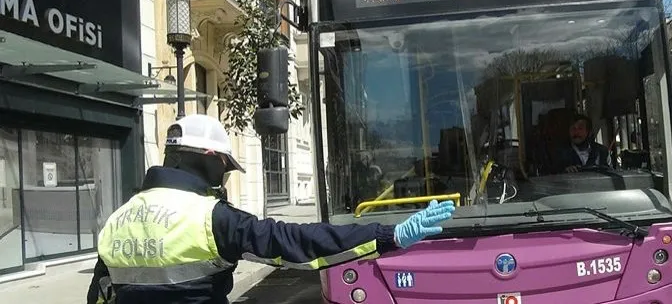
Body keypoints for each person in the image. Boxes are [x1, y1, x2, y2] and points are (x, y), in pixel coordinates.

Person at [87, 114, 455, 304]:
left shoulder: (118, 219)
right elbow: (294, 242)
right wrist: (388, 234)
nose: (224, 176)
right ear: (211, 158)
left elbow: (99, 295)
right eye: (225, 166)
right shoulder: (209, 217)